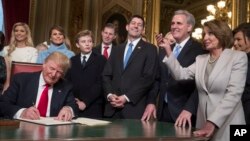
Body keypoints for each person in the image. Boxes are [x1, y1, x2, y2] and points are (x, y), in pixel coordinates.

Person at [159, 19, 247, 141]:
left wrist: (212, 122)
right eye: (204, 34)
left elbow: (234, 94)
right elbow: (181, 74)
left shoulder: (238, 57)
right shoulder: (201, 59)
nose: (205, 37)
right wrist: (168, 51)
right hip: (203, 125)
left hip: (231, 124)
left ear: (221, 34)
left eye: (210, 33)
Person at [144, 10, 205, 126]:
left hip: (185, 114)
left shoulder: (199, 50)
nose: (174, 26)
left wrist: (189, 109)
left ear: (189, 27)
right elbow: (158, 79)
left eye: (179, 23)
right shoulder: (164, 49)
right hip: (162, 111)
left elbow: (200, 86)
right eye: (172, 23)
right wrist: (151, 102)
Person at [102, 15, 158, 119]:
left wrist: (126, 97)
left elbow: (148, 78)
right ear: (127, 27)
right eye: (133, 23)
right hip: (112, 109)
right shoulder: (116, 49)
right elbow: (106, 75)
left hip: (134, 110)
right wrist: (110, 95)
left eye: (139, 25)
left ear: (142, 30)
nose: (136, 26)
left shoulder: (150, 49)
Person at [0, 52, 78, 121]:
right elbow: (3, 104)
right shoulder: (21, 80)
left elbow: (74, 106)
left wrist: (69, 109)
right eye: (52, 68)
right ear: (44, 64)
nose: (53, 74)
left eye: (59, 72)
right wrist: (22, 112)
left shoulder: (66, 86)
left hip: (52, 132)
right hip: (23, 129)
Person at [66, 30, 106, 118]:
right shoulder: (72, 60)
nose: (87, 44)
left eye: (90, 41)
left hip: (93, 106)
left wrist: (85, 102)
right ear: (77, 45)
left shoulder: (101, 60)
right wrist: (73, 100)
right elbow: (67, 82)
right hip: (75, 105)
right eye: (83, 42)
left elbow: (100, 84)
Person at [232, 22, 250, 124]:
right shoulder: (235, 61)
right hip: (237, 114)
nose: (235, 44)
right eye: (234, 40)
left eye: (238, 39)